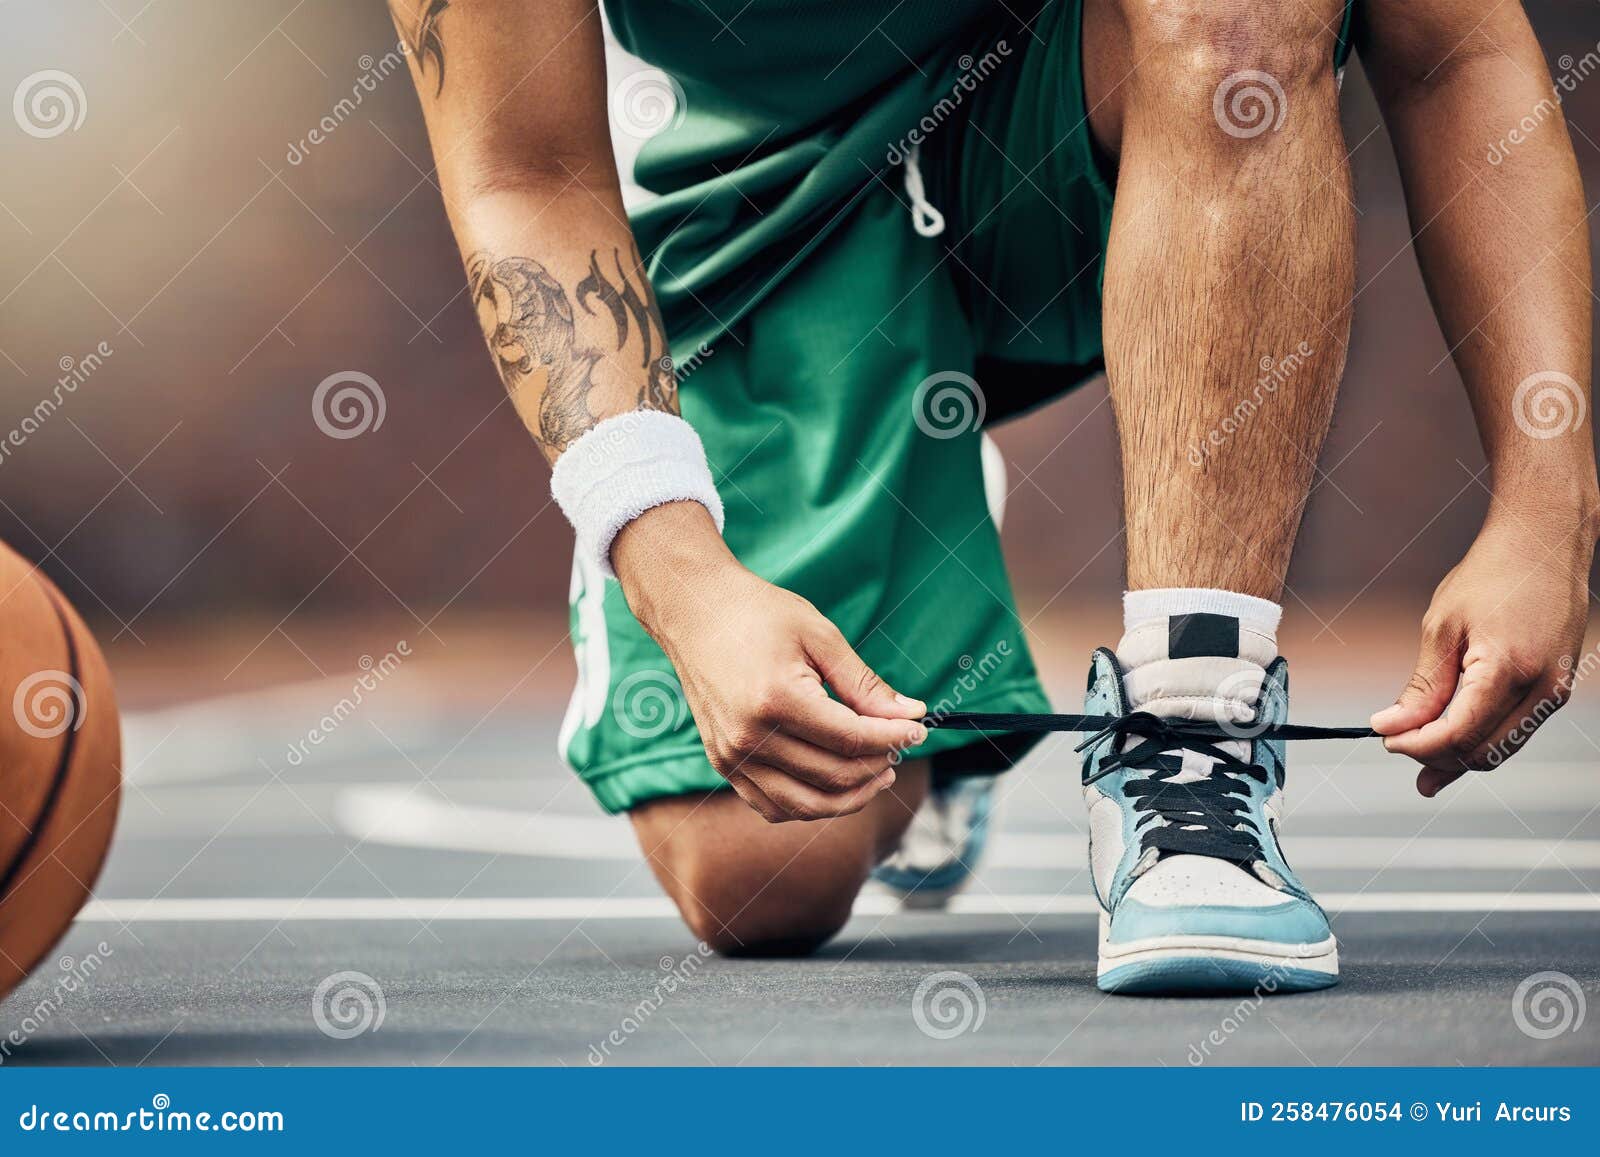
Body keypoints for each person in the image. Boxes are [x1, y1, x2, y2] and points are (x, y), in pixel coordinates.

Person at [389, 0, 1596, 992]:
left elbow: (1454, 48)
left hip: (1096, 112)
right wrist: (679, 570)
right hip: (750, 200)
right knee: (759, 878)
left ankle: (1191, 729)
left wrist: (1550, 509)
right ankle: (927, 611)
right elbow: (522, 171)